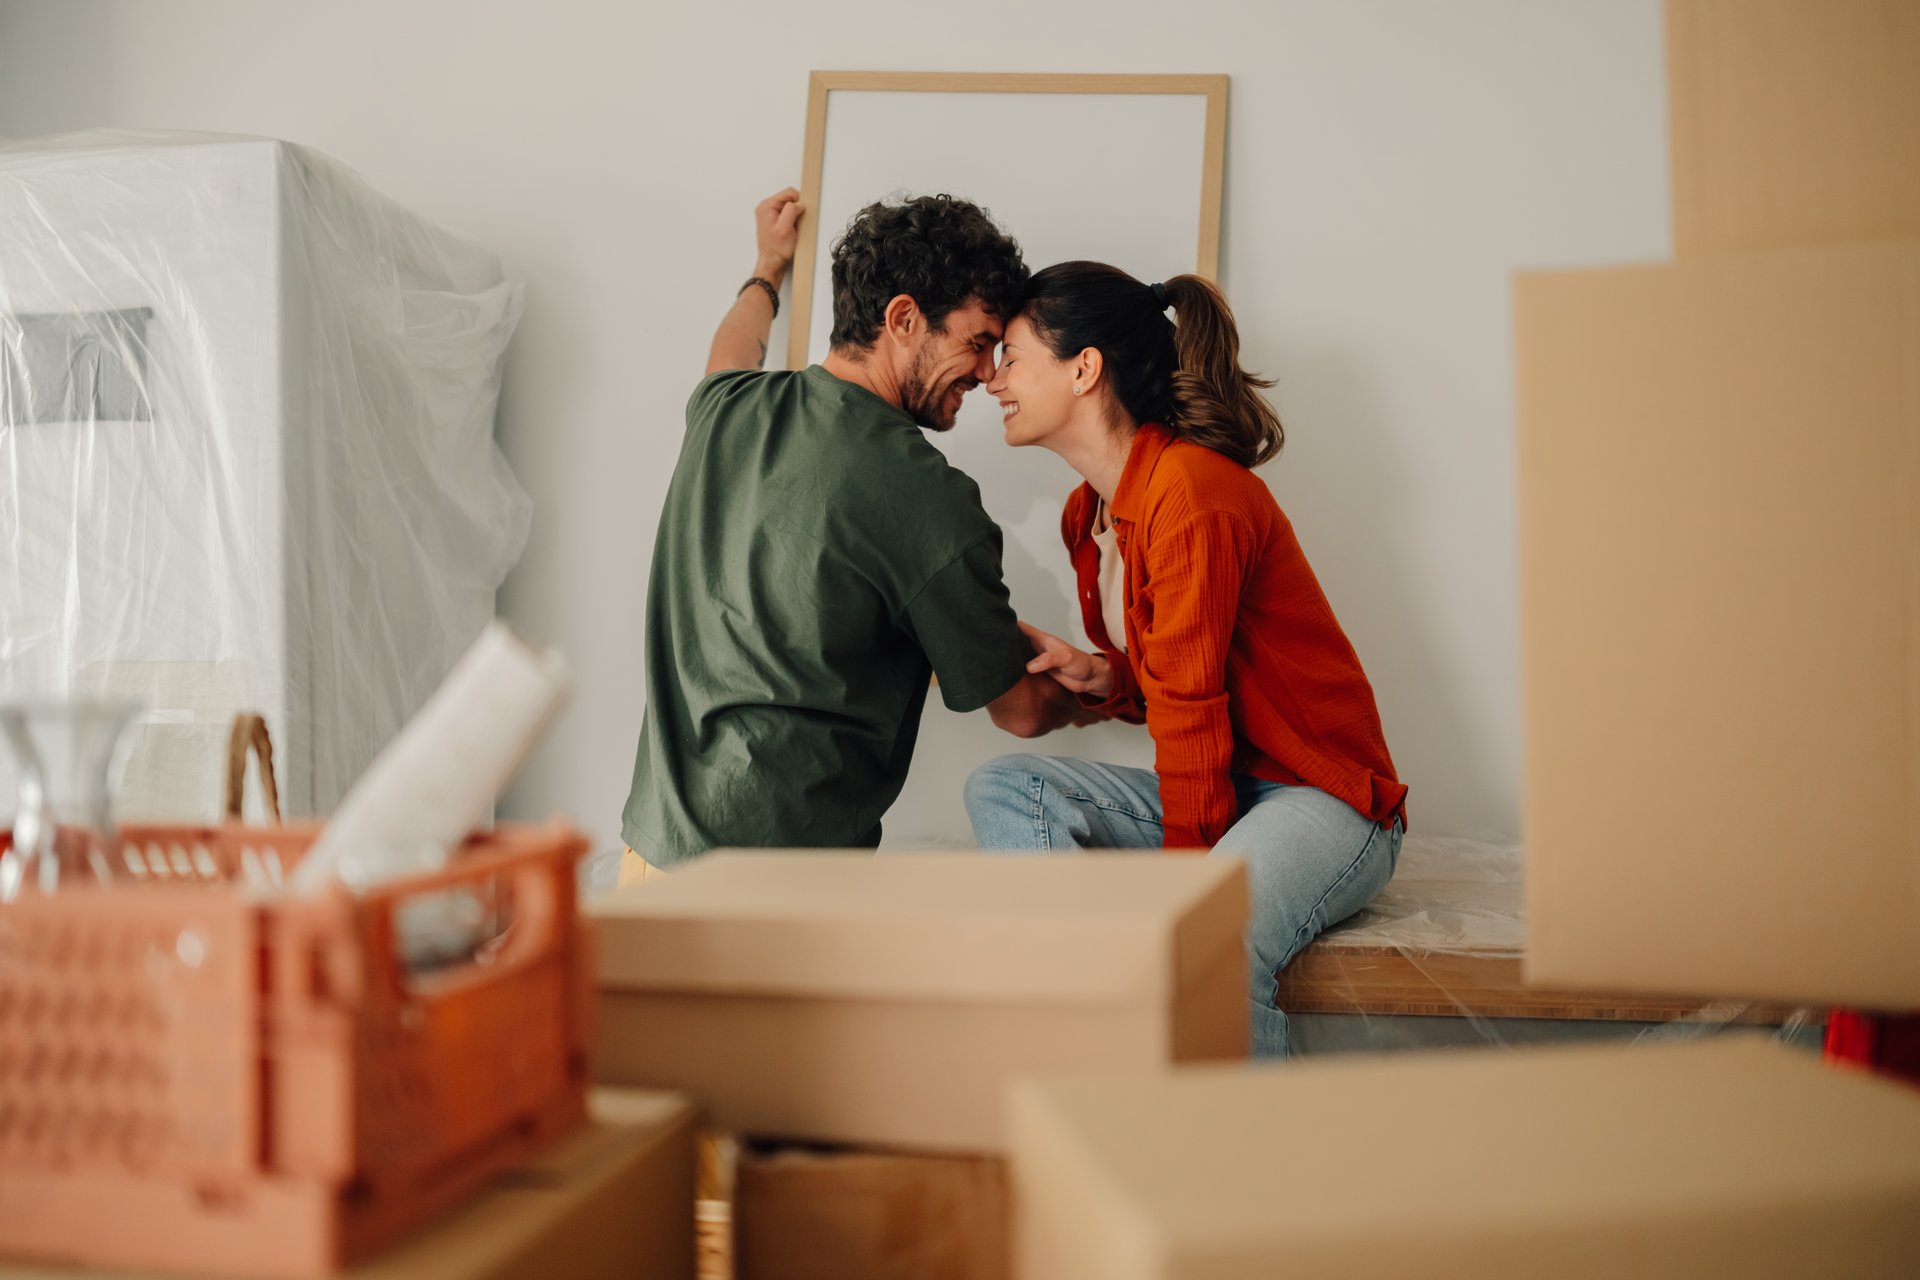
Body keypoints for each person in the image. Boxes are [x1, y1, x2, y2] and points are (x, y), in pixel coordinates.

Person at [963, 262, 1407, 1057]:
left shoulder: (1193, 494)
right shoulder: (1090, 514)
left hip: (1325, 799)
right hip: (1242, 788)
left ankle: (1237, 1176)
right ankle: (1088, 1011)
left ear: (1085, 368)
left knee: (1211, 944)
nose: (993, 378)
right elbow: (1181, 679)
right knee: (1004, 786)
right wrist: (1110, 679)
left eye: (1014, 356)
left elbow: (1194, 719)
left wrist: (1181, 897)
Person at [619, 191, 1083, 882]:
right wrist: (1107, 686)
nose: (989, 375)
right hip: (777, 908)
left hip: (649, 865)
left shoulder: (726, 408)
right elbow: (1020, 712)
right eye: (978, 343)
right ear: (902, 319)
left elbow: (733, 345)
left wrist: (767, 267)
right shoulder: (930, 500)